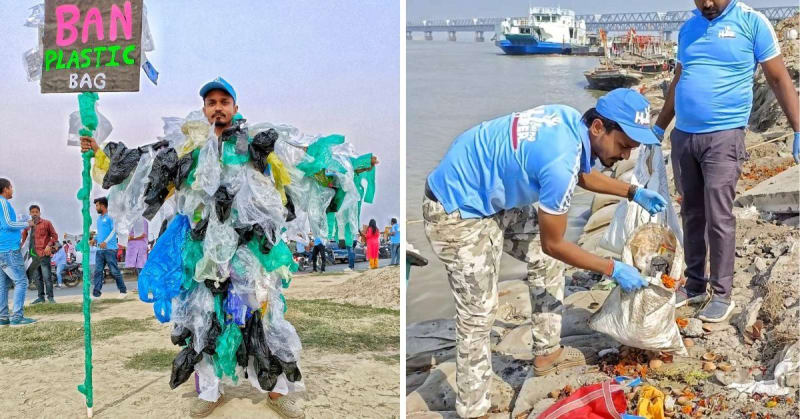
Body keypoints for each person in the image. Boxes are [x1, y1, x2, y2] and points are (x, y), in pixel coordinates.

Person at [423, 89, 667, 418]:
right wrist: (612, 268)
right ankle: (473, 409)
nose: (625, 157)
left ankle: (546, 354)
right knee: (478, 314)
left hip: (489, 196)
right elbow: (557, 240)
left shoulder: (570, 122)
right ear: (598, 128)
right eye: (623, 146)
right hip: (455, 210)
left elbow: (580, 175)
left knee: (545, 257)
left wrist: (633, 191)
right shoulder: (559, 158)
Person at [82, 77, 305, 418]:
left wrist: (342, 171)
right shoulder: (187, 148)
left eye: (224, 101)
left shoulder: (252, 146)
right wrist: (99, 155)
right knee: (202, 319)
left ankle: (277, 391)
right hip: (200, 255)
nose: (218, 107)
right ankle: (211, 391)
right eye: (211, 102)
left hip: (249, 252)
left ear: (235, 108)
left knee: (262, 316)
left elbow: (297, 171)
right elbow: (143, 168)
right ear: (204, 109)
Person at [653, 0, 800, 323]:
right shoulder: (689, 27)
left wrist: (798, 128)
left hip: (724, 136)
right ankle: (693, 286)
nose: (706, 3)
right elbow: (679, 81)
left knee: (719, 215)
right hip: (684, 136)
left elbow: (777, 78)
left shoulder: (752, 22)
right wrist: (659, 127)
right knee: (691, 212)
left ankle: (722, 294)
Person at [0, 178, 36, 326]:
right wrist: (26, 224)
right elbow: (8, 224)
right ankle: (17, 316)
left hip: (2, 249)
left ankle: (3, 317)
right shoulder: (3, 203)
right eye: (11, 187)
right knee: (21, 281)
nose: (12, 190)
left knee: (3, 284)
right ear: (5, 189)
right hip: (9, 249)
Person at [91, 197, 127, 299]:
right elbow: (100, 233)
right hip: (100, 250)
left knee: (114, 271)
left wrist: (105, 242)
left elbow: (114, 231)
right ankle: (96, 293)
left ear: (102, 205)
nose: (96, 208)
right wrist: (95, 239)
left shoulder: (111, 217)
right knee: (98, 271)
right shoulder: (98, 220)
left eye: (97, 205)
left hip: (110, 249)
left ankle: (123, 291)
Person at [21, 204, 59, 302]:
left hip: (44, 254)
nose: (34, 214)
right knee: (37, 279)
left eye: (36, 212)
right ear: (29, 213)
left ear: (39, 213)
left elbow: (54, 236)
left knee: (47, 277)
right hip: (33, 256)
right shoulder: (27, 226)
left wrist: (48, 245)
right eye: (32, 212)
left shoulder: (47, 223)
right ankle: (41, 297)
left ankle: (50, 298)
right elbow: (24, 241)